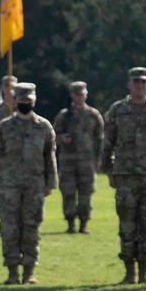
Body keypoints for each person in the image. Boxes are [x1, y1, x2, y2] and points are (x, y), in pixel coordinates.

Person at [102, 67, 146, 284]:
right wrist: (110, 171)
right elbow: (108, 143)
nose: (139, 86)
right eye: (136, 82)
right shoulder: (117, 110)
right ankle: (129, 272)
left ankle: (144, 271)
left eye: (144, 82)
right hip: (125, 175)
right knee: (126, 223)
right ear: (129, 85)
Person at [0, 82, 57, 284]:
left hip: (34, 186)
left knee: (31, 228)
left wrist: (50, 183)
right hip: (8, 187)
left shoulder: (43, 127)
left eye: (29, 100)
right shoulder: (5, 127)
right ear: (15, 101)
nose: (25, 103)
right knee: (9, 229)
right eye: (22, 100)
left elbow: (49, 157)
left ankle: (29, 271)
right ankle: (12, 272)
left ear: (34, 101)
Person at [52, 81, 104, 234]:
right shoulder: (64, 115)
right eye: (76, 94)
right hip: (68, 160)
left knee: (86, 193)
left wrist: (99, 158)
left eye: (82, 94)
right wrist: (62, 138)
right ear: (72, 95)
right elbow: (53, 135)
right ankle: (70, 224)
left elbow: (100, 137)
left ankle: (83, 223)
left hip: (87, 160)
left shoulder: (93, 115)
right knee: (68, 193)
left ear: (86, 95)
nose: (79, 97)